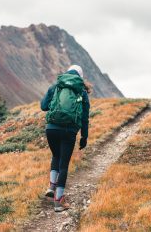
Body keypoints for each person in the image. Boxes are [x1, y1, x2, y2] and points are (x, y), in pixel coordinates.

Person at [40, 64, 90, 212]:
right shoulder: (81, 90)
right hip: (69, 131)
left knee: (56, 155)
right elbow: (85, 117)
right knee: (64, 165)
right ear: (80, 76)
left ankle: (51, 186)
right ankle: (58, 202)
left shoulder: (56, 86)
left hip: (51, 128)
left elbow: (43, 106)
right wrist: (84, 137)